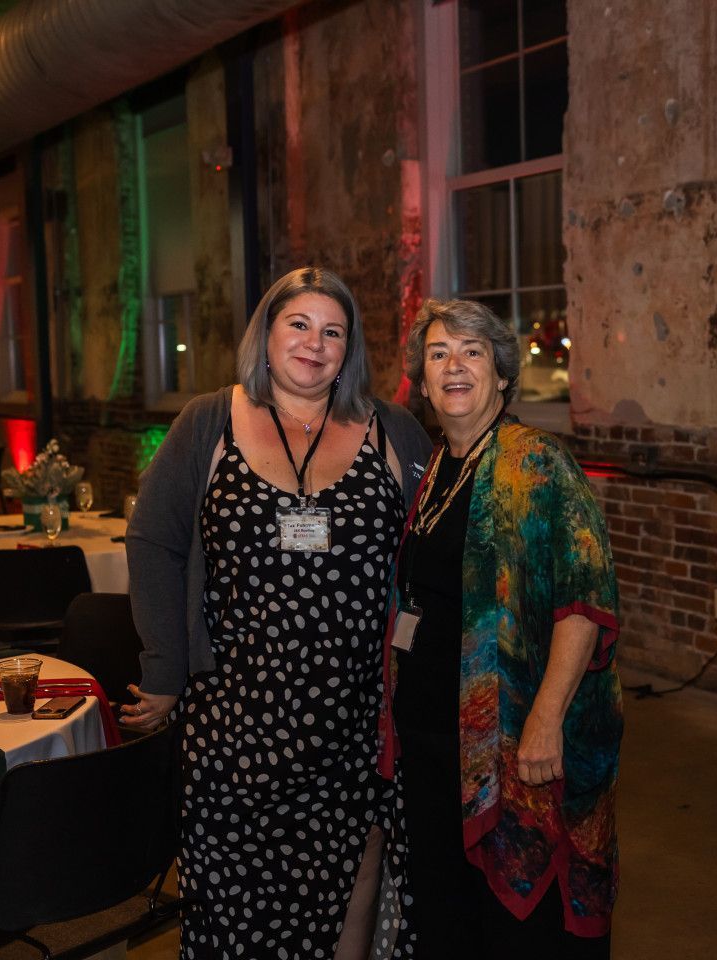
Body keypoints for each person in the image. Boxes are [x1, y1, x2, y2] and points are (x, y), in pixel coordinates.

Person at [123, 267, 432, 959]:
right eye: (299, 325)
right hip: (235, 717)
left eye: (333, 332)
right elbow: (152, 541)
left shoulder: (395, 431)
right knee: (237, 894)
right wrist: (165, 668)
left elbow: (431, 554)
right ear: (266, 334)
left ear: (349, 350)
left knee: (352, 875)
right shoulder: (209, 422)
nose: (315, 344)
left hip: (354, 716)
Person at [379, 298, 622, 958]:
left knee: (518, 924)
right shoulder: (434, 473)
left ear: (502, 376)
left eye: (472, 352)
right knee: (447, 914)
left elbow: (585, 599)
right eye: (439, 355)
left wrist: (547, 716)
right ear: (423, 382)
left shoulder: (537, 462)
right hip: (431, 742)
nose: (455, 366)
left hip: (510, 744)